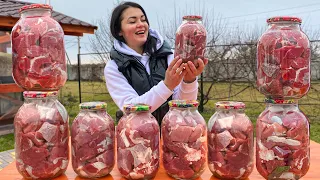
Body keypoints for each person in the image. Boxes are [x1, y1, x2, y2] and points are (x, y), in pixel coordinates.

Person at [104, 1, 207, 124]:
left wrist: (189, 81)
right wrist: (167, 86)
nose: (141, 24)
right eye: (132, 21)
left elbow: (183, 106)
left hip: (172, 131)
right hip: (137, 136)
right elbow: (131, 109)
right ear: (119, 30)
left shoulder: (168, 55)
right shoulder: (114, 67)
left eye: (143, 20)